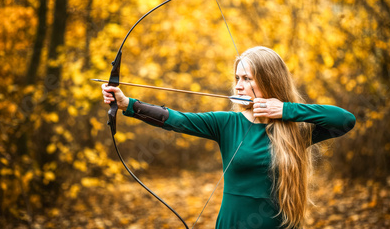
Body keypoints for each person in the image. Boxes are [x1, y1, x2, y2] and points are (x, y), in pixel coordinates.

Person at [101, 46, 356, 229]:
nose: (238, 86)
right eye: (237, 78)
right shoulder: (226, 123)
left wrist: (287, 110)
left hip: (279, 224)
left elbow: (345, 120)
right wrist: (127, 104)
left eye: (247, 79)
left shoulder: (295, 131)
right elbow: (177, 120)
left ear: (270, 81)